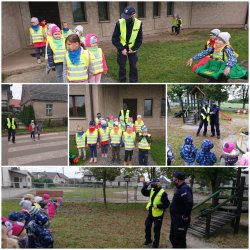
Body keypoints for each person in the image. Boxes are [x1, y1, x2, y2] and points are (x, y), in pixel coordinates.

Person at [112, 6, 143, 83]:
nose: (126, 19)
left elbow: (139, 39)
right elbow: (114, 38)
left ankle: (133, 82)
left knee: (133, 66)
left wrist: (134, 48)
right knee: (122, 67)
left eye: (128, 17)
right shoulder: (119, 23)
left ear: (133, 15)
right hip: (122, 48)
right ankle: (122, 82)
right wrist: (121, 49)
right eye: (125, 16)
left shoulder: (138, 24)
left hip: (132, 49)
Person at [141, 178, 170, 248]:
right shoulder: (152, 190)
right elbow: (144, 192)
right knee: (147, 225)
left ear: (158, 184)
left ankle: (155, 244)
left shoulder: (163, 193)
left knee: (156, 229)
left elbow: (167, 204)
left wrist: (158, 206)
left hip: (158, 213)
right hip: (151, 212)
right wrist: (146, 185)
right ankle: (148, 239)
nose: (152, 185)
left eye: (153, 184)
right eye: (151, 184)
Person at [170, 172, 193, 248]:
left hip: (180, 220)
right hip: (175, 219)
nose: (173, 181)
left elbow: (189, 202)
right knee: (173, 238)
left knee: (179, 241)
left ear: (178, 180)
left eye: (174, 179)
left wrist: (185, 215)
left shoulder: (184, 189)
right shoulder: (180, 188)